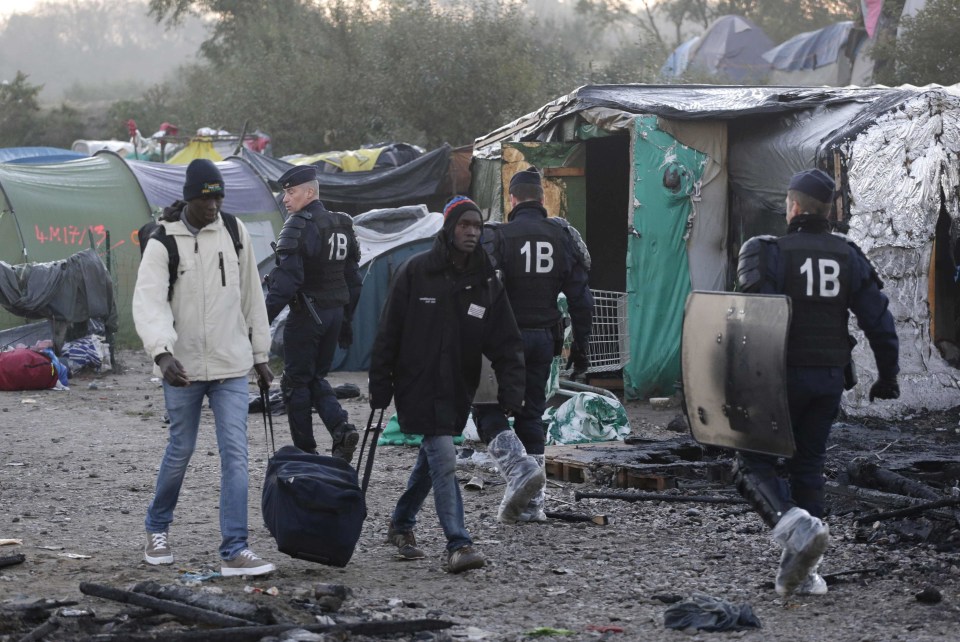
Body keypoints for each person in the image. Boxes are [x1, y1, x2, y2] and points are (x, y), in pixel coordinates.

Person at [735, 168, 900, 596]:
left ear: (792, 206)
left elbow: (753, 321)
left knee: (752, 465)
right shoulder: (849, 255)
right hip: (828, 379)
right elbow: (879, 322)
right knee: (808, 466)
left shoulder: (766, 250)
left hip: (777, 379)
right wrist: (888, 375)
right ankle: (804, 574)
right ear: (828, 211)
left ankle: (794, 528)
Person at [133, 158, 276, 576]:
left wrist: (261, 356)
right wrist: (162, 353)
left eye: (218, 198)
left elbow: (252, 295)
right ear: (189, 197)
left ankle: (235, 548)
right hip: (184, 368)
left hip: (232, 364)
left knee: (236, 455)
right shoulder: (164, 242)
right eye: (205, 199)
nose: (213, 206)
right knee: (181, 449)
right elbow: (149, 302)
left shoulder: (234, 232)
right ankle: (156, 530)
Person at [369, 196, 526, 573]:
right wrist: (380, 385)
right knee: (443, 459)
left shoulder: (486, 282)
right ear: (449, 229)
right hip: (416, 385)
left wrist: (512, 390)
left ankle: (401, 524)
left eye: (477, 226)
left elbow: (506, 341)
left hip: (457, 388)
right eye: (464, 225)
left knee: (432, 458)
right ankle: (459, 543)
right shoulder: (416, 271)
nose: (472, 231)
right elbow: (388, 332)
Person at [475, 166, 594, 523]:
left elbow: (480, 289)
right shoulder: (564, 237)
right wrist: (583, 347)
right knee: (531, 413)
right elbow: (581, 299)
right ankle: (532, 506)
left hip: (504, 340)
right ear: (542, 199)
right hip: (546, 337)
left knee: (485, 408)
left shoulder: (497, 235)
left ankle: (519, 469)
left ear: (512, 199)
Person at [265, 165, 362, 461]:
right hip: (333, 314)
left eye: (291, 192)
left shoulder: (299, 224)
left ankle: (305, 451)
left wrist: (259, 320)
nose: (285, 199)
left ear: (309, 192)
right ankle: (341, 429)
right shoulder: (342, 224)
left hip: (308, 316)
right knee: (315, 378)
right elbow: (353, 279)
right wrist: (346, 319)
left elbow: (286, 283)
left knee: (295, 382)